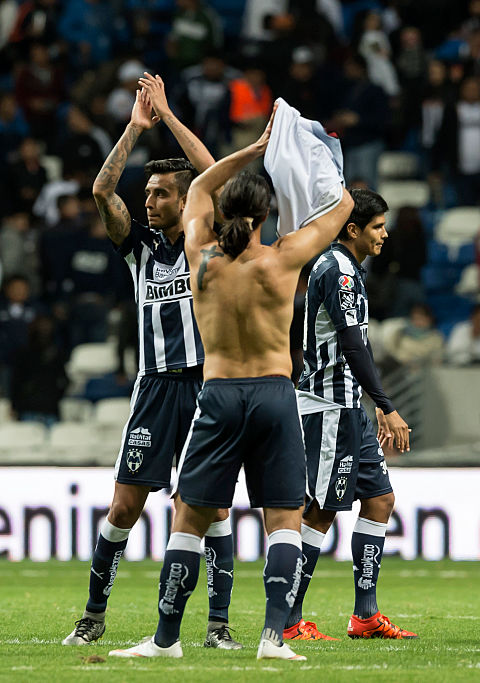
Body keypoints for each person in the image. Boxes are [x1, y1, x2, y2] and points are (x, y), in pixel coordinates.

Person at [108, 104, 354, 661]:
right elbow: (340, 207)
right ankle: (273, 639)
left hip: (217, 395)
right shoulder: (284, 260)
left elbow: (200, 185)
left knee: (189, 518)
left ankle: (166, 639)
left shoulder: (200, 258)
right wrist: (313, 159)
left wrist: (252, 151)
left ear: (222, 214)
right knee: (284, 519)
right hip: (273, 394)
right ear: (267, 215)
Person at [63, 78, 242, 651]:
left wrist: (166, 115)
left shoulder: (205, 242)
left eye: (163, 193)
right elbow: (100, 191)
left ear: (186, 200)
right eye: (149, 193)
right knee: (124, 505)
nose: (149, 201)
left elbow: (213, 172)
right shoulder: (139, 249)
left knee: (210, 508)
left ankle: (217, 627)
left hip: (207, 387)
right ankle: (93, 615)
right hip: (155, 389)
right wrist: (136, 128)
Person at [284, 188, 416, 642]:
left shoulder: (348, 269)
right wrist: (386, 404)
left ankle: (365, 615)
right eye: (378, 226)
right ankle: (289, 618)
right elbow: (352, 343)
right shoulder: (337, 269)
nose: (385, 233)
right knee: (320, 510)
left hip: (348, 408)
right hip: (326, 408)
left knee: (380, 500)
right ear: (354, 229)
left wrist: (369, 403)